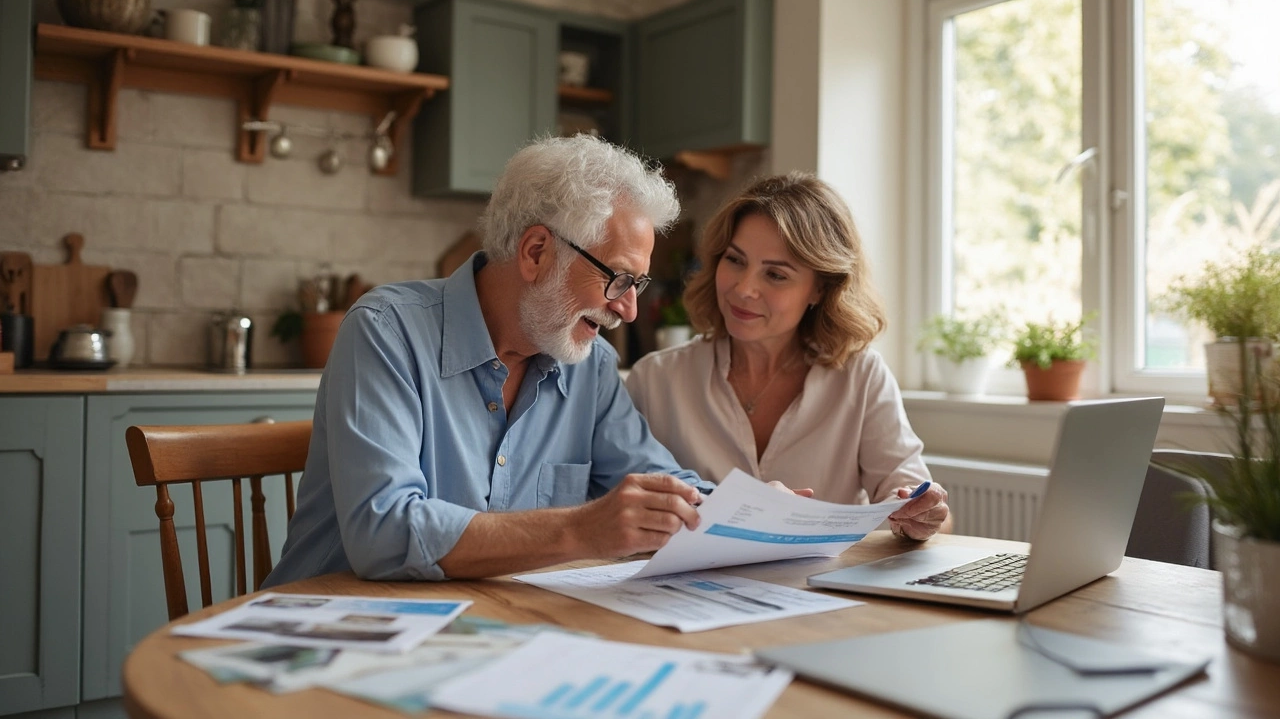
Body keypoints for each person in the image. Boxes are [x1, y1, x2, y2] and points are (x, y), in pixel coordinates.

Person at [263, 135, 716, 587]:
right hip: (334, 627)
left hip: (489, 629)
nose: (628, 308)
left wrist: (757, 510)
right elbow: (385, 533)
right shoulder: (386, 331)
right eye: (619, 278)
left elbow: (663, 486)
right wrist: (582, 530)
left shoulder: (590, 365)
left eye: (638, 284)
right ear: (536, 252)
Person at [626, 173, 951, 541]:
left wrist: (920, 515)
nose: (744, 289)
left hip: (824, 592)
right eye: (735, 260)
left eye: (776, 275)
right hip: (686, 592)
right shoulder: (655, 379)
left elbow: (915, 498)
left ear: (820, 289)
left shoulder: (860, 376)